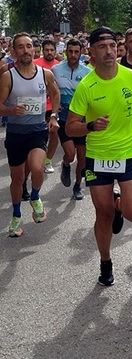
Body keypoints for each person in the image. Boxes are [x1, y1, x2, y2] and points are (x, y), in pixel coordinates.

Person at [66, 27, 132, 286]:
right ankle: (105, 261)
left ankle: (119, 205)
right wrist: (91, 126)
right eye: (102, 47)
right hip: (98, 155)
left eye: (113, 46)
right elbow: (71, 126)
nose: (109, 51)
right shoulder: (86, 86)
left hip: (127, 152)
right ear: (91, 52)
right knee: (102, 214)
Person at [0, 32, 60, 237]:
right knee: (17, 179)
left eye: (29, 46)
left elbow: (56, 94)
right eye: (21, 47)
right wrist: (10, 111)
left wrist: (53, 116)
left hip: (37, 130)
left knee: (36, 167)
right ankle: (17, 216)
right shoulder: (8, 75)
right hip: (16, 133)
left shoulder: (45, 74)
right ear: (14, 50)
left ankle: (35, 196)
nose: (26, 50)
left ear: (35, 49)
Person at [53, 38, 92, 200]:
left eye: (77, 52)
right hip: (63, 119)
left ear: (81, 52)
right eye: (70, 51)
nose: (73, 55)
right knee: (70, 154)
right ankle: (66, 164)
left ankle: (77, 186)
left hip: (81, 121)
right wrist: (54, 106)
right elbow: (51, 92)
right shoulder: (55, 70)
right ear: (65, 52)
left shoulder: (87, 72)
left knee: (82, 159)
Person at [33, 39, 60, 174]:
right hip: (38, 106)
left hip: (53, 107)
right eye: (47, 50)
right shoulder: (35, 64)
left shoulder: (59, 65)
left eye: (52, 50)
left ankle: (48, 160)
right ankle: (37, 160)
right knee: (41, 135)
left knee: (54, 133)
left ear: (56, 51)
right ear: (43, 51)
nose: (49, 52)